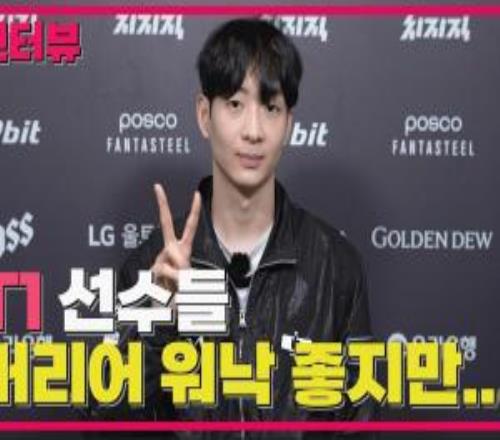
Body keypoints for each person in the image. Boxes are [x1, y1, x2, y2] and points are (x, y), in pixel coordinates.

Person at [112, 17, 377, 438]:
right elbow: (110, 425)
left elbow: (360, 424)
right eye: (235, 104)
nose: (253, 131)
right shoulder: (150, 267)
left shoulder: (335, 267)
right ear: (205, 115)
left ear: (288, 125)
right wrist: (157, 319)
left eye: (270, 108)